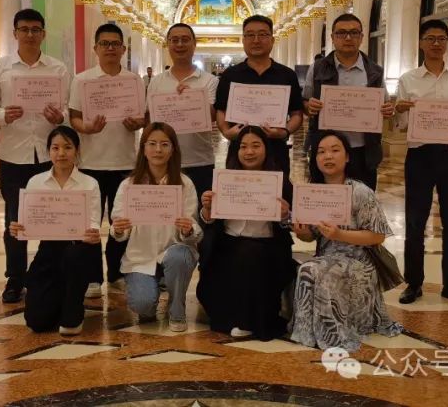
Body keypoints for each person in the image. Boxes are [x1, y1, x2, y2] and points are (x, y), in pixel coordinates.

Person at [0, 8, 69, 304]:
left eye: (35, 29)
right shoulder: (0, 68)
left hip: (50, 155)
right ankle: (15, 279)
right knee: (14, 219)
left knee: (52, 217)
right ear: (15, 33)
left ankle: (47, 273)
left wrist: (60, 116)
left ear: (43, 33)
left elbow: (69, 107)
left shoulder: (57, 69)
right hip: (14, 155)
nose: (30, 34)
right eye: (24, 29)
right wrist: (3, 115)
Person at [290, 131, 403, 351]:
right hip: (327, 257)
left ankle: (333, 335)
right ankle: (306, 332)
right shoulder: (314, 192)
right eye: (321, 152)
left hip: (360, 261)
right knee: (308, 270)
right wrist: (301, 232)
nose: (328, 156)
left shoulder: (360, 191)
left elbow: (377, 236)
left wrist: (339, 235)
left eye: (335, 150)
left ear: (348, 157)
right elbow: (311, 235)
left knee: (319, 272)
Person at [395, 19, 448, 306]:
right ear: (421, 43)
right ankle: (413, 283)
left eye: (441, 38)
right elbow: (400, 125)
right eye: (430, 38)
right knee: (415, 222)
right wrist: (400, 110)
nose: (436, 43)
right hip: (419, 156)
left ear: (447, 42)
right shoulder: (408, 79)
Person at [68, 23, 146, 297]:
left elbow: (144, 117)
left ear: (123, 49)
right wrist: (87, 128)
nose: (110, 48)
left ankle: (116, 273)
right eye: (105, 44)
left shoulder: (134, 81)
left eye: (115, 44)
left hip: (125, 162)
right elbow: (74, 117)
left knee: (121, 221)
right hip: (90, 162)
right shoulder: (82, 80)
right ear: (96, 48)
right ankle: (92, 277)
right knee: (89, 222)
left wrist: (137, 123)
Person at [197, 126, 295, 340]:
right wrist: (206, 209)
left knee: (249, 253)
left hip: (267, 250)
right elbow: (209, 222)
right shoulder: (224, 180)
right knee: (230, 261)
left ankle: (247, 321)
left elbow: (294, 225)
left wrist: (285, 215)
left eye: (255, 146)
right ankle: (232, 317)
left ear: (266, 149)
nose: (249, 152)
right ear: (236, 150)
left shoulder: (280, 182)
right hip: (227, 245)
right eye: (243, 147)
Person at [8, 126, 102, 335]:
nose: (61, 153)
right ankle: (59, 298)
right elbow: (29, 221)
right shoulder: (36, 182)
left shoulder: (90, 183)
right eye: (55, 148)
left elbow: (94, 220)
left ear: (77, 151)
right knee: (37, 322)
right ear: (48, 151)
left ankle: (73, 312)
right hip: (49, 249)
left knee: (73, 257)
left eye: (67, 147)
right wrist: (19, 228)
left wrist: (93, 233)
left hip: (80, 248)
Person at [112, 123, 200, 332]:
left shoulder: (185, 184)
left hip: (174, 253)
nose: (158, 149)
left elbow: (194, 231)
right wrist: (119, 229)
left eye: (164, 144)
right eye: (152, 144)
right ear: (143, 149)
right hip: (141, 258)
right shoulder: (129, 185)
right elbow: (118, 230)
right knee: (143, 306)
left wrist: (188, 229)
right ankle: (155, 285)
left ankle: (177, 308)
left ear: (173, 149)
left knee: (179, 256)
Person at [303, 14, 394, 190]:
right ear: (332, 37)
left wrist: (388, 110)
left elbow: (385, 104)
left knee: (362, 198)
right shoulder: (317, 68)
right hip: (327, 149)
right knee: (327, 198)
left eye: (354, 33)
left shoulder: (374, 71)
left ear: (361, 37)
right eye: (341, 33)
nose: (348, 37)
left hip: (363, 150)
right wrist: (309, 106)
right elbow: (305, 102)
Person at [214, 15, 303, 174]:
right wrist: (226, 132)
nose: (256, 40)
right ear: (243, 40)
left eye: (262, 34)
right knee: (239, 188)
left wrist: (284, 132)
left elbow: (297, 114)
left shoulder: (287, 75)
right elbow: (221, 110)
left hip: (276, 150)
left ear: (272, 40)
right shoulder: (230, 75)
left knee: (278, 189)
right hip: (240, 150)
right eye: (250, 35)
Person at [147, 23, 219, 198]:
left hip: (200, 161)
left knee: (201, 211)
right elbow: (150, 120)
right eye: (175, 40)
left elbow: (211, 116)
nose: (179, 44)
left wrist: (191, 98)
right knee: (165, 210)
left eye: (185, 40)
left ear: (194, 44)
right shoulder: (156, 82)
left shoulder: (210, 81)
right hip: (163, 160)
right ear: (168, 44)